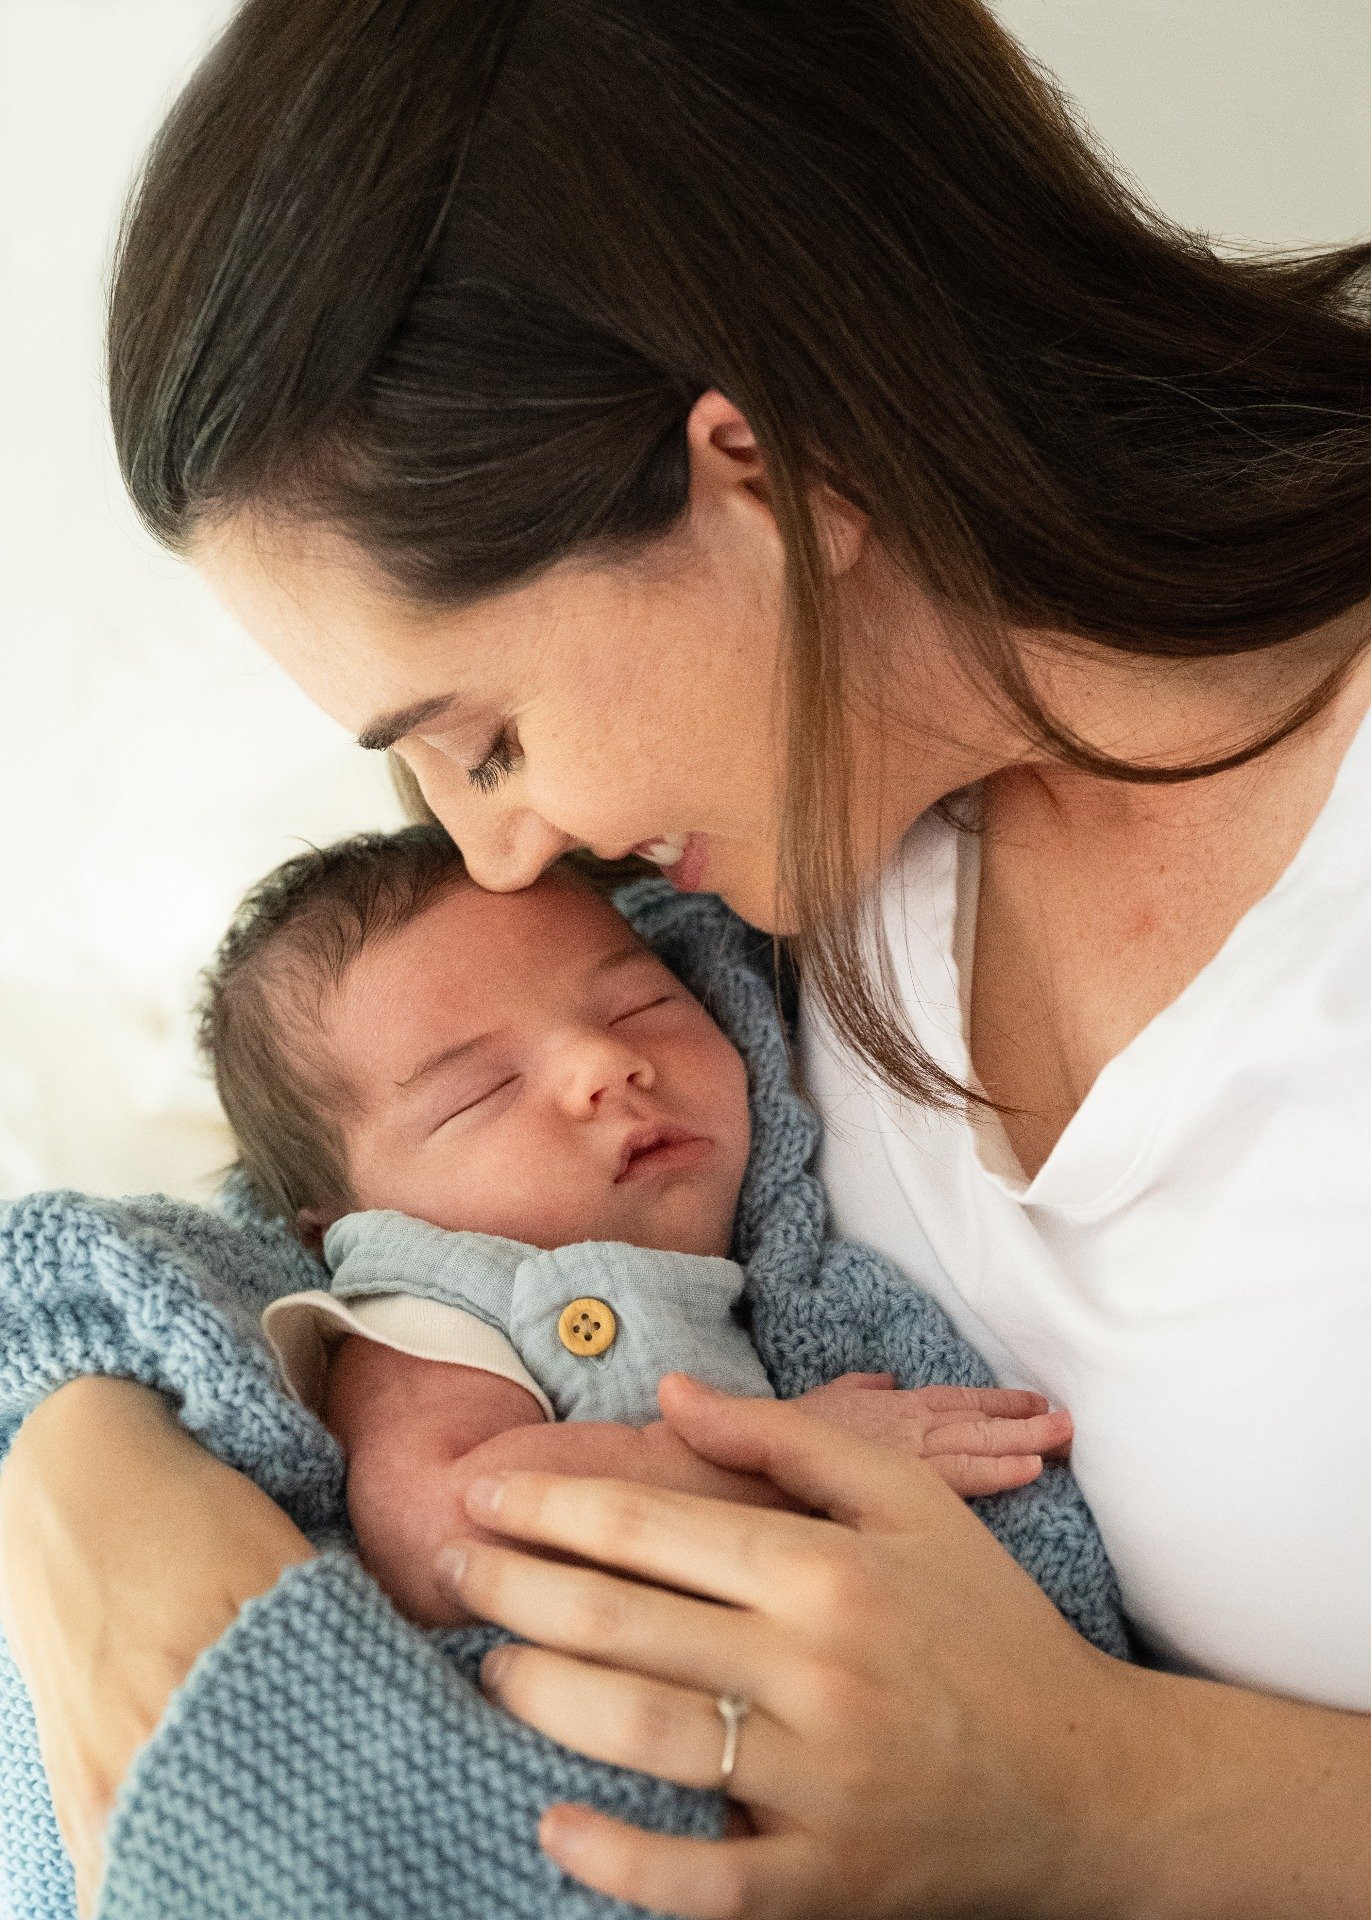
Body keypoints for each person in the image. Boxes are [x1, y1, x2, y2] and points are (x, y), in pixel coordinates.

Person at [3, 0, 1370, 1913]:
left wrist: (1120, 1805)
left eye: (486, 735)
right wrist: (70, 1470)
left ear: (759, 470)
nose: (488, 847)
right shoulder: (732, 917)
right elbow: (323, 1223)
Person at [202, 826, 1079, 1626]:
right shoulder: (430, 1317)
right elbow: (449, 1529)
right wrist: (799, 1457)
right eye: (482, 1090)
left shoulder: (786, 1242)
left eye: (638, 1007)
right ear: (350, 1229)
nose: (606, 1063)